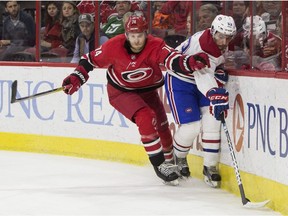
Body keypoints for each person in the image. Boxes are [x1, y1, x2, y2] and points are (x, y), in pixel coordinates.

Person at [61, 14, 213, 185]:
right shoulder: (114, 45)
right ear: (126, 34)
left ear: (146, 33)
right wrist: (77, 77)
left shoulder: (155, 44)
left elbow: (172, 59)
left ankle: (170, 161)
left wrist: (190, 62)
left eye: (140, 36)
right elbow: (89, 60)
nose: (137, 40)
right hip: (121, 93)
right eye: (132, 36)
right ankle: (159, 165)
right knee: (146, 117)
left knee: (162, 125)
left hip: (148, 92)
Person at [164, 14, 235, 188]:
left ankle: (210, 166)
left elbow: (210, 70)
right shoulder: (202, 47)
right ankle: (178, 158)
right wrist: (213, 93)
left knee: (213, 121)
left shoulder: (213, 41)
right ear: (212, 31)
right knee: (192, 126)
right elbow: (202, 75)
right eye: (220, 36)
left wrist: (218, 70)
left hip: (201, 79)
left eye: (228, 37)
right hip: (180, 81)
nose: (223, 41)